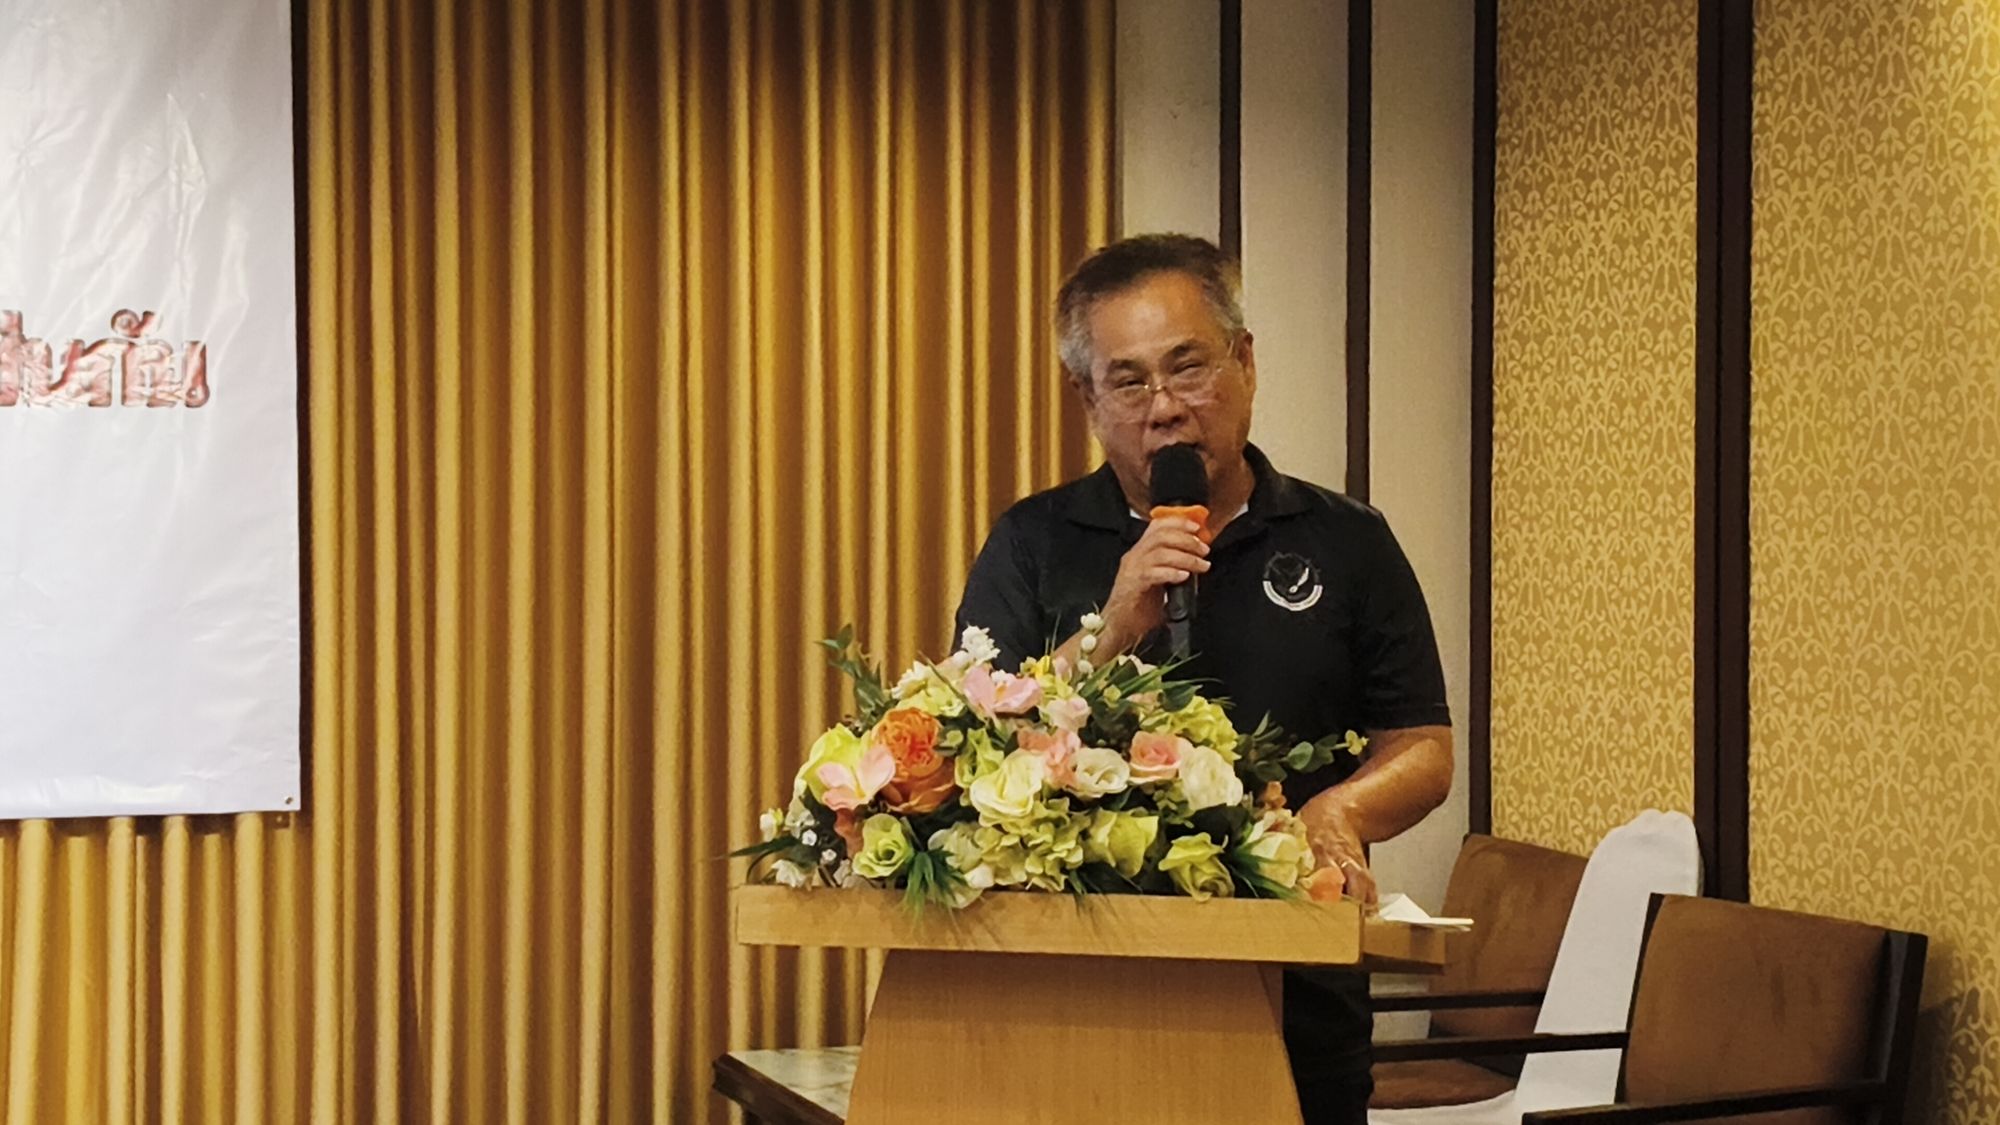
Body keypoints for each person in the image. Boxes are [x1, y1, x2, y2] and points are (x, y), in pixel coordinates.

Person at [953, 233, 1454, 1123]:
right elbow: (972, 743)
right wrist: (1112, 626)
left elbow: (1422, 745)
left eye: (1188, 368)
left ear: (1246, 361)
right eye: (1129, 381)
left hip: (1299, 1001)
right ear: (1088, 398)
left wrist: (1338, 811)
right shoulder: (1031, 542)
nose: (1165, 409)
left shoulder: (1348, 539)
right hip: (1074, 1004)